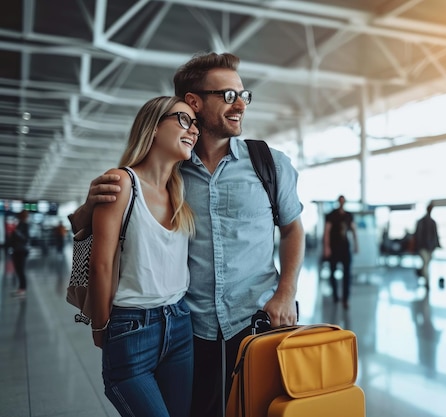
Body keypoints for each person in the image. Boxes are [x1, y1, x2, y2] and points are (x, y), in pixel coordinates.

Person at [68, 52, 305, 417]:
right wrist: (88, 210)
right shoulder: (172, 175)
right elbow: (113, 233)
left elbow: (292, 229)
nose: (240, 103)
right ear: (194, 101)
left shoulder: (270, 164)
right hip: (190, 330)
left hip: (257, 321)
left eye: (244, 95)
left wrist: (286, 293)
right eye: (228, 95)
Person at [88, 96, 199, 416]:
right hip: (131, 325)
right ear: (152, 128)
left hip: (179, 323)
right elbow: (101, 264)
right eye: (182, 120)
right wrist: (101, 327)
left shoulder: (178, 191)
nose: (192, 130)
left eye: (195, 124)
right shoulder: (123, 182)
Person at [323, 195, 359, 309]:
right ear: (338, 201)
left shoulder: (348, 216)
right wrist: (326, 247)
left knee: (347, 274)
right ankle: (335, 296)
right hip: (334, 248)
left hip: (345, 247)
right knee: (332, 272)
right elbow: (327, 231)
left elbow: (353, 230)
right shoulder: (332, 215)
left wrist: (356, 244)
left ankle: (345, 299)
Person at [413, 203, 440, 289]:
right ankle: (427, 282)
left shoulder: (432, 222)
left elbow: (435, 235)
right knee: (425, 264)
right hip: (423, 247)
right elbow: (417, 235)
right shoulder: (421, 221)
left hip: (430, 248)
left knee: (426, 265)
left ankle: (422, 274)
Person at [9, 210, 30, 297]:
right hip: (16, 250)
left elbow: (25, 238)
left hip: (21, 250)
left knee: (21, 270)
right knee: (18, 270)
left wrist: (16, 232)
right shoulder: (19, 224)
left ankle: (22, 289)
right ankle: (20, 288)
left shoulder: (25, 225)